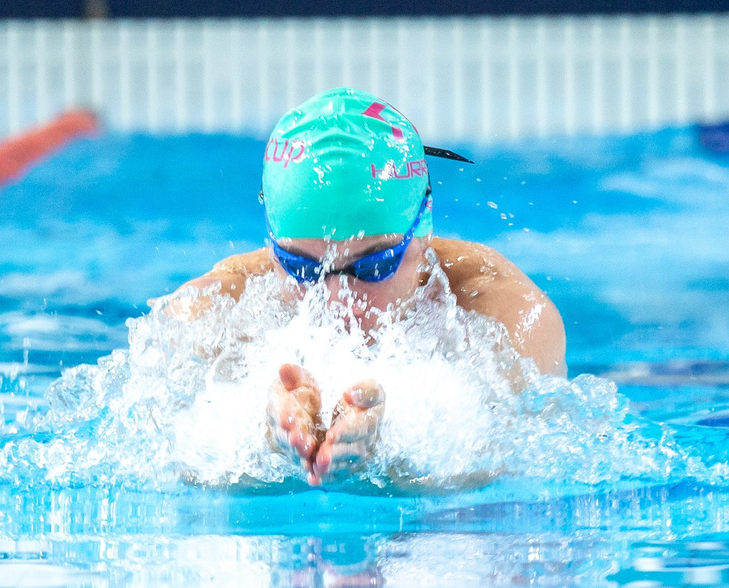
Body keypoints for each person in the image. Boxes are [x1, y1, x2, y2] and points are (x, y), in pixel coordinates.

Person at [166, 88, 567, 487]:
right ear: (272, 247)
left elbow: (507, 474)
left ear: (422, 234)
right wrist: (264, 438)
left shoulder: (506, 315)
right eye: (302, 268)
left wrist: (393, 455)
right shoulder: (209, 310)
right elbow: (177, 472)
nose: (337, 300)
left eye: (375, 265)